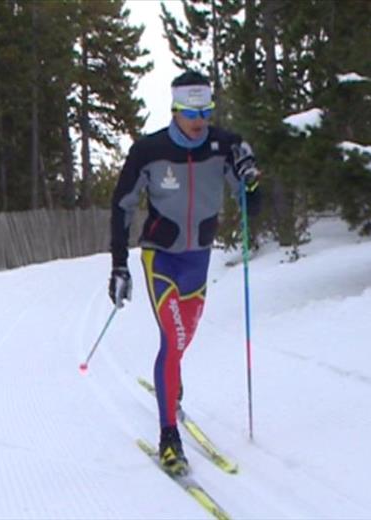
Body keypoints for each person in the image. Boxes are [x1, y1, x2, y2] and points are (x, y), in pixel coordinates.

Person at [108, 71, 262, 476]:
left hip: (199, 258)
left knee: (182, 340)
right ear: (175, 109)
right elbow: (122, 206)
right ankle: (169, 436)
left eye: (206, 111)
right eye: (192, 112)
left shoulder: (223, 145)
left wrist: (251, 180)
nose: (200, 120)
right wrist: (119, 264)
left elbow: (251, 205)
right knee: (173, 340)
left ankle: (170, 383)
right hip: (161, 256)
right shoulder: (149, 150)